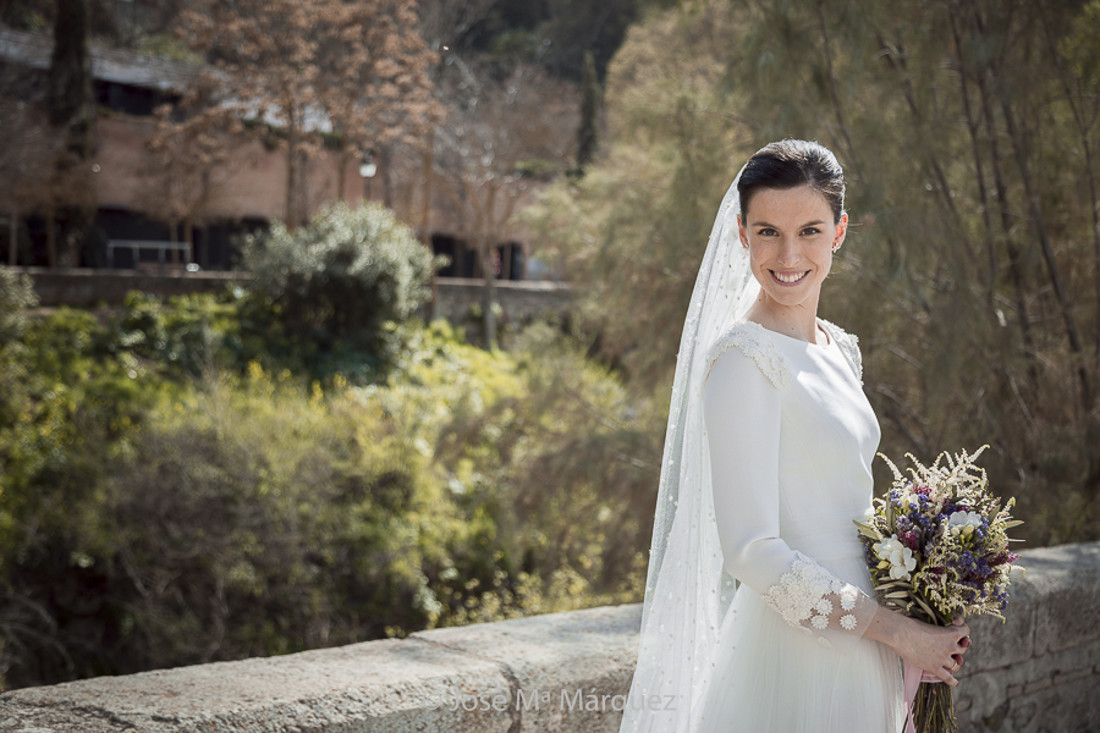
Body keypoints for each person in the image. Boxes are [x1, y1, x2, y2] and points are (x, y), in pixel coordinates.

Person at [619, 140, 971, 732]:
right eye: (767, 232)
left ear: (839, 232)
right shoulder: (742, 361)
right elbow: (752, 551)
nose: (788, 255)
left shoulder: (840, 348)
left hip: (872, 638)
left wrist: (922, 579)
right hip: (800, 651)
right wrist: (900, 632)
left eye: (809, 230)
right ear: (741, 235)